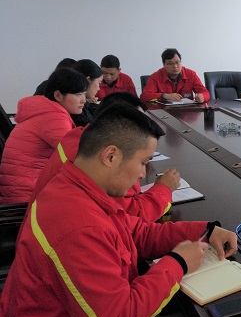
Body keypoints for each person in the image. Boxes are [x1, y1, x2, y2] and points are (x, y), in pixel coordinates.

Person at [0, 104, 238, 317]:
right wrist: (178, 263)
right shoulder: (76, 224)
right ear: (110, 156)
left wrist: (205, 230)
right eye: (143, 162)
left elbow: (137, 233)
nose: (143, 174)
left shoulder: (82, 189)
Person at [30, 92, 179, 223]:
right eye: (138, 124)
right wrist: (164, 189)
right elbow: (132, 216)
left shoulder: (82, 138)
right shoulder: (94, 161)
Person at [0, 67, 89, 204]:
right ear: (58, 95)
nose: (84, 100)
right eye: (78, 94)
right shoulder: (53, 117)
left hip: (18, 192)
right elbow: (76, 156)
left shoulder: (45, 111)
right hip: (27, 197)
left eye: (84, 94)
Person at [140, 48, 210, 103]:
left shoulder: (191, 74)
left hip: (187, 112)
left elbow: (205, 93)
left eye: (177, 62)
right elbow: (144, 96)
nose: (175, 66)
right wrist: (164, 96)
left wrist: (202, 97)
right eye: (170, 63)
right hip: (165, 112)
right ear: (164, 64)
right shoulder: (156, 77)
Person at [71, 58, 103, 127]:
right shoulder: (76, 108)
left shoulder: (84, 105)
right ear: (88, 80)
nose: (98, 88)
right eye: (99, 83)